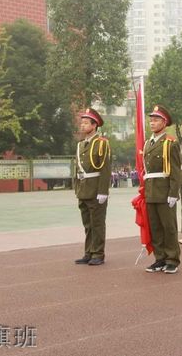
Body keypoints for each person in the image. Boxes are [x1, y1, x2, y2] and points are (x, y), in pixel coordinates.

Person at [142, 105, 182, 274]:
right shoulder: (147, 143)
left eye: (156, 120)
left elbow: (175, 170)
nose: (152, 123)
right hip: (151, 190)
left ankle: (172, 259)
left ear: (164, 123)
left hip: (165, 190)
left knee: (168, 227)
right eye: (151, 120)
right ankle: (160, 258)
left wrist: (173, 193)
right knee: (155, 227)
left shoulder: (170, 143)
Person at [73, 108, 111, 266]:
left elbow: (105, 169)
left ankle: (98, 253)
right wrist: (77, 188)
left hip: (96, 190)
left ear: (94, 125)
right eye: (81, 123)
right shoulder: (81, 145)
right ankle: (88, 252)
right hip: (83, 189)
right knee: (87, 224)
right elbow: (77, 170)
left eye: (86, 123)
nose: (82, 125)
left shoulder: (101, 143)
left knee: (97, 224)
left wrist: (103, 191)